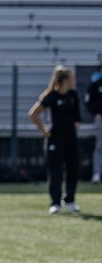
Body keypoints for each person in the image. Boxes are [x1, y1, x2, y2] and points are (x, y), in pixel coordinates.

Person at [28, 66, 82, 213]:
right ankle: (55, 202)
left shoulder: (73, 95)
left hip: (71, 137)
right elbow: (33, 113)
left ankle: (70, 200)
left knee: (73, 168)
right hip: (55, 139)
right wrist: (44, 131)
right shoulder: (51, 96)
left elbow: (77, 118)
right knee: (55, 170)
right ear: (64, 80)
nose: (73, 81)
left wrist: (74, 125)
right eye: (71, 78)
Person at [87, 67, 102, 183]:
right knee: (99, 146)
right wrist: (96, 113)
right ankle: (97, 173)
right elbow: (88, 101)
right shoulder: (96, 84)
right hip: (100, 120)